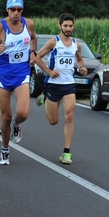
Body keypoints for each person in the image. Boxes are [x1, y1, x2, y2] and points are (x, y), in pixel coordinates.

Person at [0, 0, 37, 165]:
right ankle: (5, 150)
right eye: (12, 9)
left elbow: (33, 39)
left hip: (22, 72)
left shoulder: (28, 24)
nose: (16, 13)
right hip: (4, 73)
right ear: (7, 10)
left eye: (19, 9)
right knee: (5, 117)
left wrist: (33, 53)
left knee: (23, 113)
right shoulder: (0, 27)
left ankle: (17, 124)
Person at [33, 13, 87, 165]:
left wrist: (82, 68)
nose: (68, 29)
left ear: (73, 26)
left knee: (69, 116)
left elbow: (79, 59)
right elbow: (37, 58)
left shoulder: (77, 44)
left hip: (69, 84)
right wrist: (49, 72)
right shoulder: (53, 42)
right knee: (53, 121)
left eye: (70, 26)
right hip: (53, 84)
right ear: (60, 26)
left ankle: (66, 153)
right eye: (65, 26)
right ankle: (44, 97)